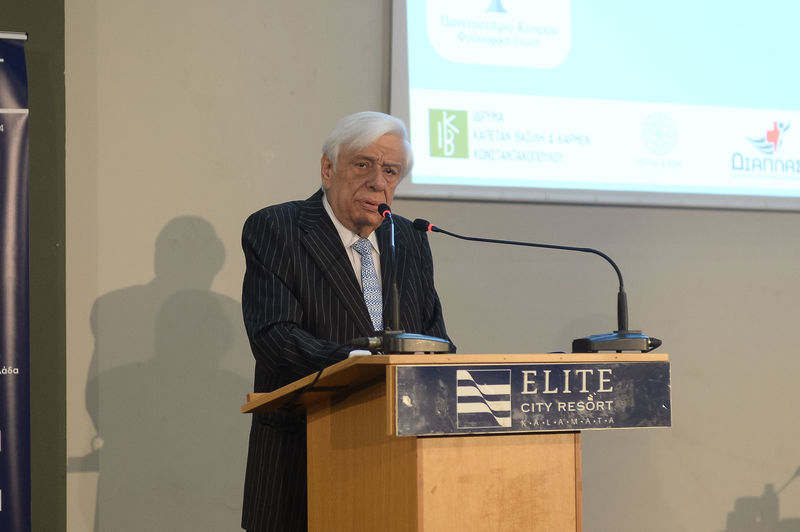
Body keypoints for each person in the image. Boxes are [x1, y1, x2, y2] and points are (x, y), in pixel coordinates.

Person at [240, 111, 453, 532]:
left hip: (397, 464)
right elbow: (274, 338)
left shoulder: (409, 239)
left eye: (390, 171)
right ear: (328, 169)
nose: (377, 182)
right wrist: (357, 362)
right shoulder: (277, 228)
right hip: (302, 457)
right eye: (363, 165)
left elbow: (434, 339)